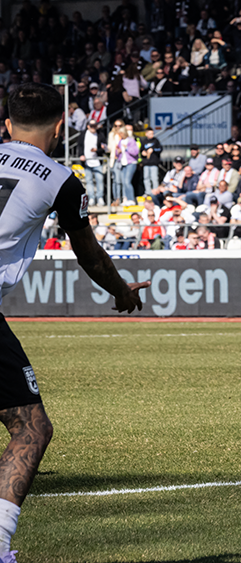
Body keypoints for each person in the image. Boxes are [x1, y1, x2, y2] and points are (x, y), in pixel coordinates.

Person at [0, 83, 149, 558]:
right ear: (60, 127)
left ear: (7, 125)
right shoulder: (60, 179)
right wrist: (122, 293)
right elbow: (88, 254)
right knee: (31, 429)